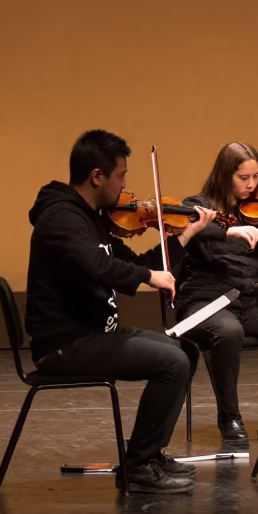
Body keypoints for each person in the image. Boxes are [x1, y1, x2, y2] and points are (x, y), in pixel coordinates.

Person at [25, 129, 216, 493]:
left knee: (185, 351)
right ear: (97, 176)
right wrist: (148, 277)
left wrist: (186, 236)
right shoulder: (61, 220)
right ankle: (139, 467)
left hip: (95, 334)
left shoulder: (91, 219)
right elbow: (96, 264)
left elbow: (137, 261)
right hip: (66, 345)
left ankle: (147, 453)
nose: (125, 184)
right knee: (172, 362)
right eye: (121, 175)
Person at [176, 141, 258, 443]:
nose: (251, 185)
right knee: (227, 331)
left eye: (255, 177)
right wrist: (228, 230)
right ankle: (229, 416)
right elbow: (186, 222)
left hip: (247, 301)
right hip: (203, 301)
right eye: (243, 178)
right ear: (225, 175)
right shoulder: (201, 206)